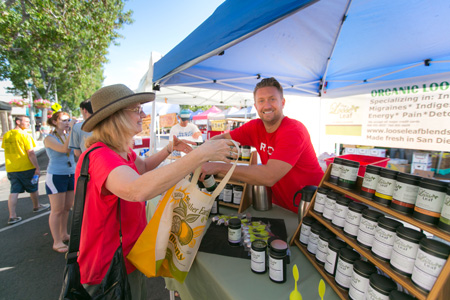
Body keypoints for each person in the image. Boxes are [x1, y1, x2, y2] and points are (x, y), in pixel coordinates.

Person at [76, 84, 235, 299]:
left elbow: (142, 168)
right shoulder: (101, 156)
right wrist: (198, 156)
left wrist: (169, 149)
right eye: (136, 110)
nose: (142, 115)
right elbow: (137, 190)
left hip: (126, 256)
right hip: (108, 265)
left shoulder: (120, 151)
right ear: (116, 116)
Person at [201, 77, 324, 213]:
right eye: (261, 101)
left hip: (311, 208)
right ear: (256, 106)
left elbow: (269, 176)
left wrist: (217, 167)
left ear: (282, 102)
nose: (267, 106)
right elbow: (223, 138)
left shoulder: (293, 131)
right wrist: (197, 153)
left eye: (272, 99)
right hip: (280, 206)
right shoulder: (255, 127)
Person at [2, 116, 49, 225]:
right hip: (26, 167)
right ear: (18, 122)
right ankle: (36, 206)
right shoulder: (24, 135)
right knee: (33, 187)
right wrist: (37, 167)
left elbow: (7, 149)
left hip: (11, 168)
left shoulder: (7, 135)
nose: (29, 123)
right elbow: (31, 153)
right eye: (26, 121)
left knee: (14, 191)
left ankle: (12, 215)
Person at [44, 111, 76, 253]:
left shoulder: (66, 135)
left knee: (67, 207)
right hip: (56, 175)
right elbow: (64, 149)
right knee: (57, 210)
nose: (67, 122)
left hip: (70, 174)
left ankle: (64, 234)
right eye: (63, 120)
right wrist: (72, 132)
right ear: (55, 122)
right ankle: (56, 241)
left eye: (68, 120)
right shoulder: (49, 138)